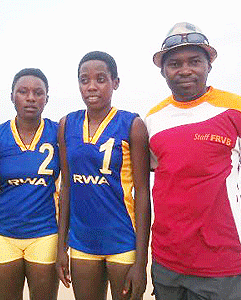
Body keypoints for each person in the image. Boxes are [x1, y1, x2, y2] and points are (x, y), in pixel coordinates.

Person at [145, 22, 241, 300]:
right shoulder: (152, 121)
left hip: (225, 265)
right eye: (175, 64)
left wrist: (233, 223)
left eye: (195, 61)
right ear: (163, 71)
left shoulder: (240, 112)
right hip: (167, 262)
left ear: (209, 65)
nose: (185, 70)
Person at [56, 51, 151, 300]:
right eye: (84, 80)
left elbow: (142, 192)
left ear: (115, 83)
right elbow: (66, 187)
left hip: (122, 240)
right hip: (82, 242)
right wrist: (60, 248)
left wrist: (141, 262)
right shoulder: (67, 124)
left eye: (100, 79)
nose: (91, 87)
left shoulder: (132, 125)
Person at [0, 68, 60, 300]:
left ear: (47, 98)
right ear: (12, 96)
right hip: (3, 232)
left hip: (44, 233)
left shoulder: (59, 132)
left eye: (38, 92)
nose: (30, 97)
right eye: (23, 91)